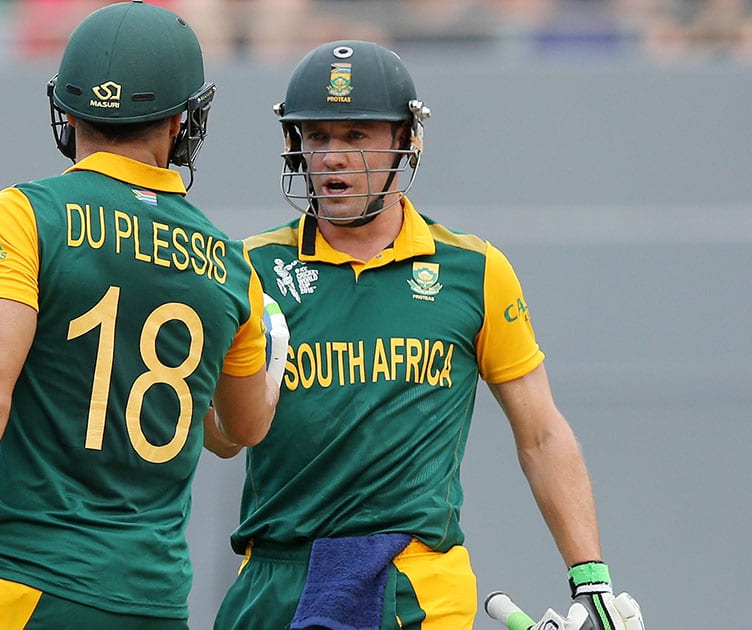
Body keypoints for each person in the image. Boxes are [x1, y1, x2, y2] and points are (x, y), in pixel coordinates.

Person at [0, 2, 286, 629]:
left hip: (26, 586)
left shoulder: (29, 213)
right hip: (153, 605)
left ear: (68, 111)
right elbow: (235, 432)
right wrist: (272, 358)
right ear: (183, 121)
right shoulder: (234, 267)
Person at [208, 40, 644, 630]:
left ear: (406, 141)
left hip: (415, 578)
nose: (332, 157)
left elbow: (541, 433)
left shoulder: (475, 271)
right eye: (318, 137)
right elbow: (224, 441)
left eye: (356, 136)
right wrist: (240, 399)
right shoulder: (248, 268)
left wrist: (591, 578)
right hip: (276, 573)